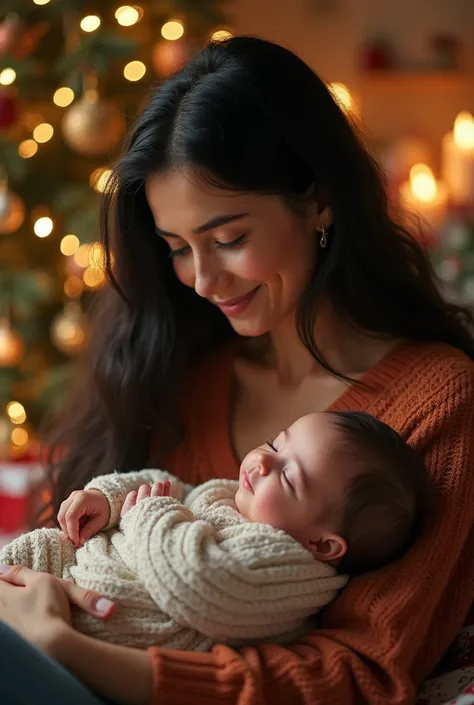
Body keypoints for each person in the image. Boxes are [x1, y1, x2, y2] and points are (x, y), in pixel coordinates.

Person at [0, 34, 473, 705]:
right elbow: (57, 548)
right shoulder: (181, 373)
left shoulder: (437, 400)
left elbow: (358, 672)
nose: (201, 278)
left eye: (228, 239)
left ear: (318, 200)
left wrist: (67, 648)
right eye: (176, 249)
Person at [1, 410, 430, 651]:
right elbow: (170, 488)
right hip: (72, 572)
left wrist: (148, 513)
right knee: (29, 552)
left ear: (322, 543)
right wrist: (108, 498)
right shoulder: (231, 496)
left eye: (288, 477)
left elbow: (199, 579)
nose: (263, 461)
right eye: (277, 444)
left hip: (107, 631)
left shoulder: (287, 565)